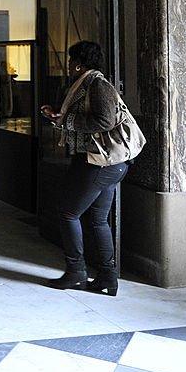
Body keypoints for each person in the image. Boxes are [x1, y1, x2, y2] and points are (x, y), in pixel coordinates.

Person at [39, 40, 127, 296]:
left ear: (79, 64)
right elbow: (87, 116)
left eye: (70, 60)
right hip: (106, 163)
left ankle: (77, 272)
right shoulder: (87, 84)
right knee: (98, 219)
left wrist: (67, 120)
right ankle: (108, 278)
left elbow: (104, 120)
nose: (68, 65)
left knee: (67, 213)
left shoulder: (98, 84)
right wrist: (59, 115)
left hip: (98, 162)